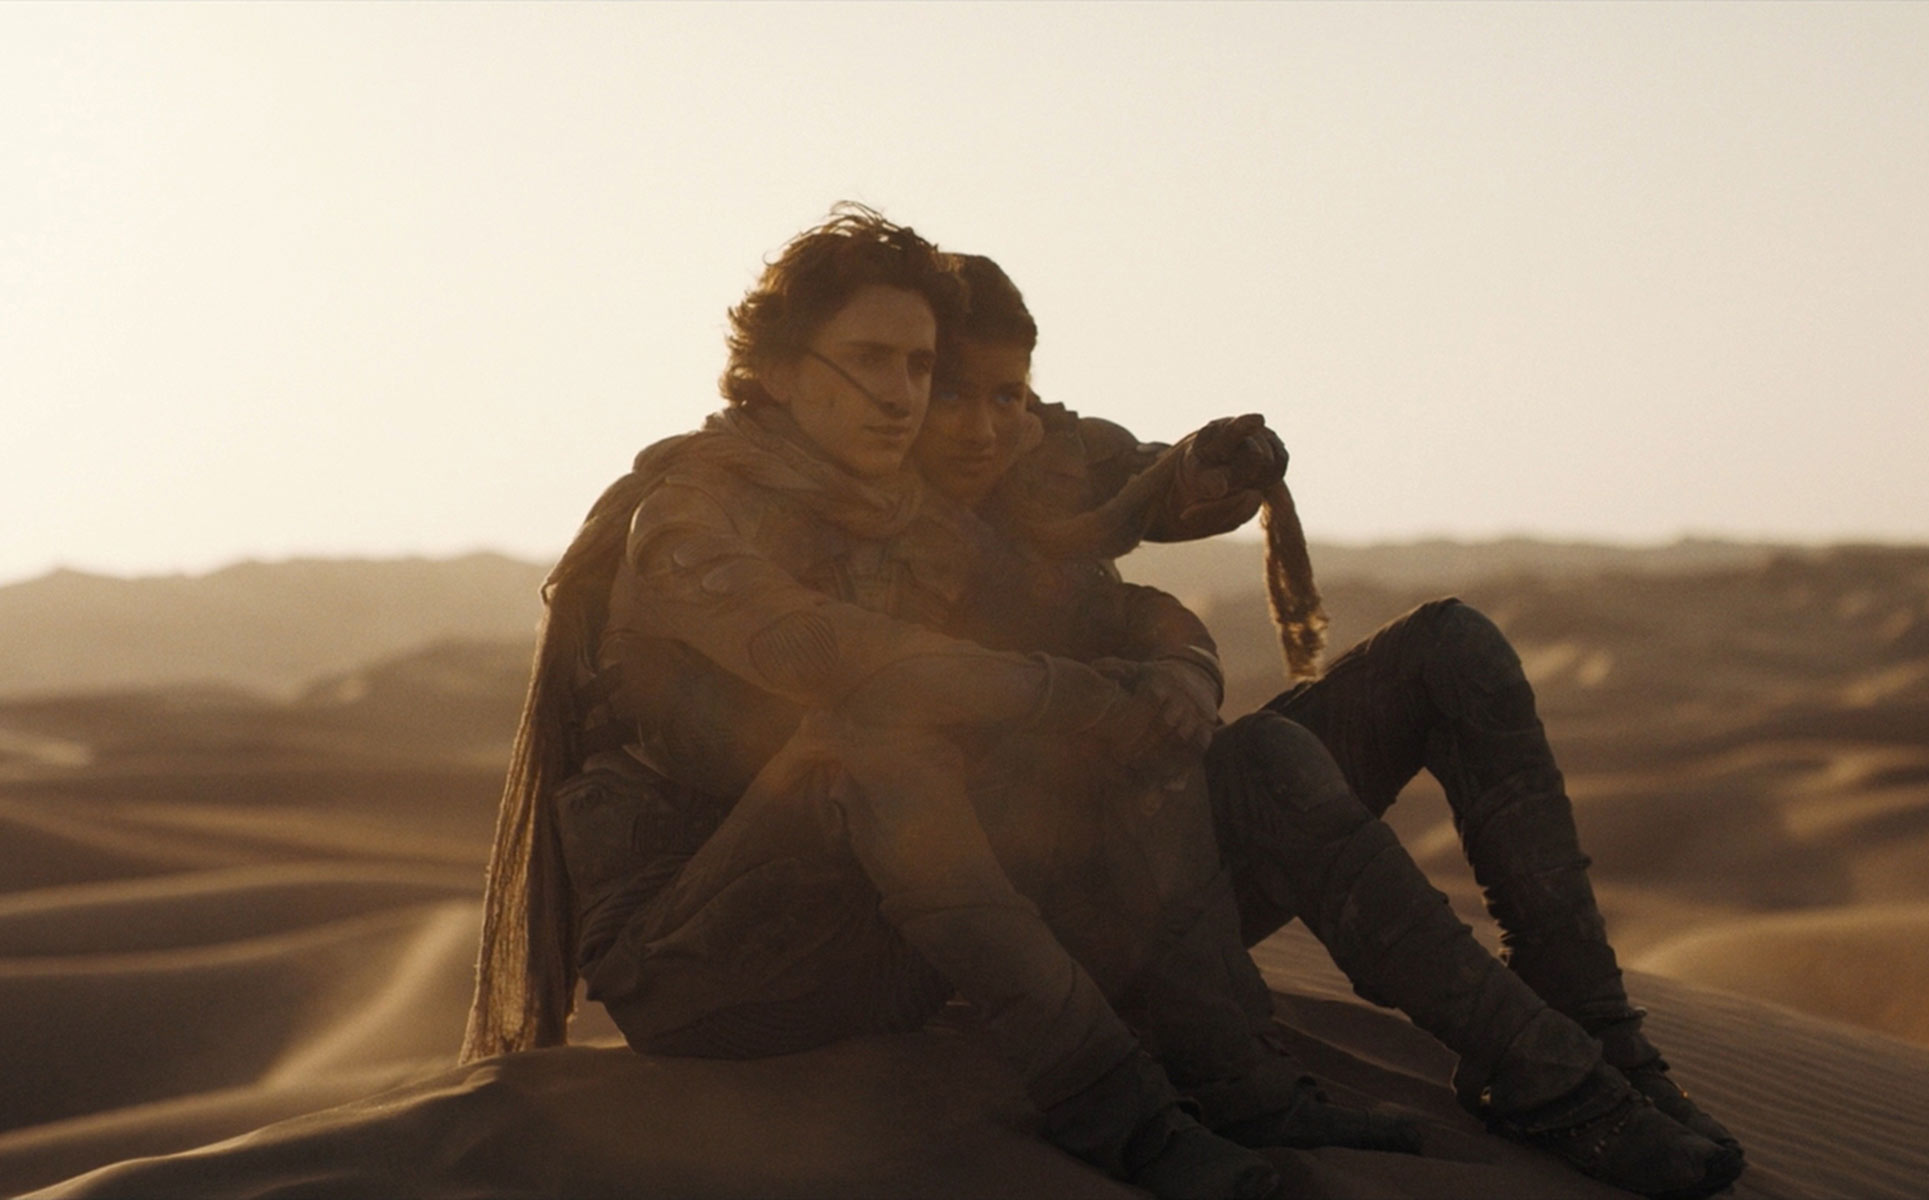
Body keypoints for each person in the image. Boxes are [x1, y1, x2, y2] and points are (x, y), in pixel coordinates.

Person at [465, 206, 1364, 1200]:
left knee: (1057, 743)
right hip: (696, 973)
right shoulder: (689, 518)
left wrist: (1194, 507)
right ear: (778, 366)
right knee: (878, 742)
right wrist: (1090, 697)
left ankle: (1236, 1075)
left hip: (866, 936)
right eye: (868, 360)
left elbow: (1088, 535)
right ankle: (1130, 1126)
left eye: (918, 365)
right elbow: (866, 671)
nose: (900, 397)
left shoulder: (909, 512)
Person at [912, 253, 1744, 1198]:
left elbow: (1164, 483)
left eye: (1007, 393)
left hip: (1174, 851)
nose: (983, 424)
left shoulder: (1048, 450)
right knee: (1265, 759)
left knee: (1450, 647)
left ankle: (1597, 1037)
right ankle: (1555, 1090)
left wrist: (1220, 464)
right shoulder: (864, 514)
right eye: (946, 392)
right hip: (1052, 922)